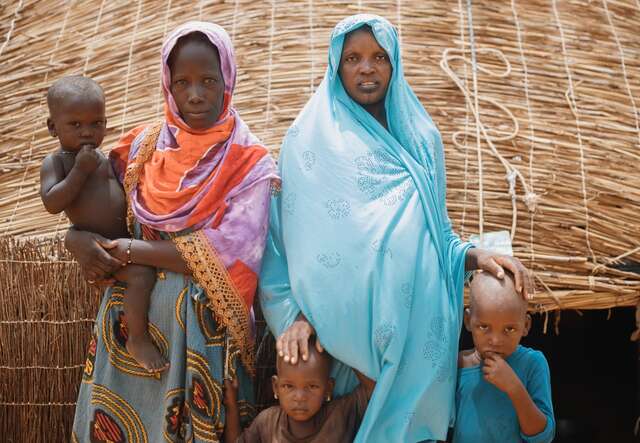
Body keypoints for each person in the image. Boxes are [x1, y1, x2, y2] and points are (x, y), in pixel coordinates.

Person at [259, 14, 533, 442]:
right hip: (344, 339)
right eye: (353, 57)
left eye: (379, 57)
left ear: (394, 63)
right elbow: (279, 238)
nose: (366, 68)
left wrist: (476, 256)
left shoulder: (422, 138)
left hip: (420, 332)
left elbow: (438, 236)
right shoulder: (306, 140)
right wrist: (292, 313)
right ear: (336, 65)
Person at [65, 21, 277, 442]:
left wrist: (128, 250)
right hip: (127, 333)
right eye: (182, 82)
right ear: (168, 84)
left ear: (227, 81)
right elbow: (92, 216)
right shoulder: (139, 148)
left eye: (208, 81)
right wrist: (78, 241)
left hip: (201, 339)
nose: (194, 94)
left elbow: (222, 258)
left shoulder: (249, 166)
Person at [40, 75, 165, 372]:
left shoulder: (108, 158)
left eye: (96, 124)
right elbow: (51, 203)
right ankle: (137, 338)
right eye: (75, 125)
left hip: (124, 243)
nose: (87, 132)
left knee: (146, 272)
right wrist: (79, 173)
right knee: (142, 277)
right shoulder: (57, 163)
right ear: (52, 127)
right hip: (102, 249)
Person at [453, 271, 555, 443]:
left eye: (509, 329)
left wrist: (514, 388)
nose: (495, 340)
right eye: (484, 327)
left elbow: (543, 436)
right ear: (468, 320)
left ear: (526, 325)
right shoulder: (459, 364)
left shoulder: (533, 364)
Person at [223, 338, 375, 442]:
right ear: (276, 387)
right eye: (288, 386)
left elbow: (376, 391)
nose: (300, 397)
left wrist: (337, 341)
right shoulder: (268, 422)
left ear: (328, 388)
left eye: (312, 386)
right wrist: (231, 406)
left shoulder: (341, 414)